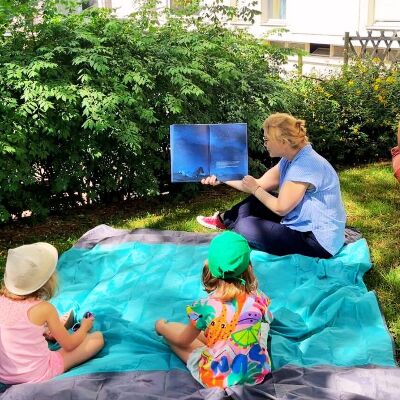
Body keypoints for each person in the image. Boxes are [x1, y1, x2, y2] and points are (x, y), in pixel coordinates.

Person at [197, 112, 346, 258]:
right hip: (302, 222)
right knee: (255, 201)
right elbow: (259, 184)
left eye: (267, 140)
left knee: (243, 226)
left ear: (283, 142)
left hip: (317, 241)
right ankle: (224, 220)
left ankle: (236, 224)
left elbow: (280, 208)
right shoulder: (289, 158)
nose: (265, 144)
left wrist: (255, 189)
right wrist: (222, 177)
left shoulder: (305, 165)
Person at [155, 231, 272, 389]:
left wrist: (161, 327)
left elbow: (183, 340)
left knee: (174, 337)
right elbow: (267, 318)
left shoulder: (204, 308)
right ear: (248, 267)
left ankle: (163, 327)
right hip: (256, 372)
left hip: (218, 378)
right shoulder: (259, 298)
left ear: (210, 266)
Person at [0, 242, 104, 385]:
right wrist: (85, 327)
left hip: (5, 375)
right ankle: (58, 333)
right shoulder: (44, 309)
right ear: (47, 279)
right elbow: (70, 345)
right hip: (38, 374)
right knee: (97, 338)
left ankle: (50, 332)